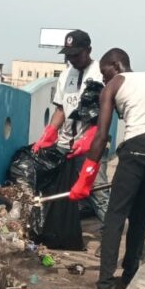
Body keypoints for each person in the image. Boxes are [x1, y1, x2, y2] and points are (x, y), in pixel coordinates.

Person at [69, 48, 145, 289]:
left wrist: (86, 178)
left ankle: (105, 288)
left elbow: (102, 136)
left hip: (136, 148)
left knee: (115, 217)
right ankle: (129, 277)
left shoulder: (114, 85)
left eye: (105, 72)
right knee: (140, 213)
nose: (104, 80)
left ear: (116, 65)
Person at [32, 29, 109, 221]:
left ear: (88, 50)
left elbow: (107, 111)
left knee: (98, 193)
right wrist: (49, 134)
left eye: (76, 54)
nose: (72, 59)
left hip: (91, 146)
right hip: (65, 145)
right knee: (64, 191)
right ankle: (65, 232)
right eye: (68, 55)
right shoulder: (66, 75)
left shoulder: (102, 73)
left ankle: (109, 238)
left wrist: (91, 137)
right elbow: (60, 109)